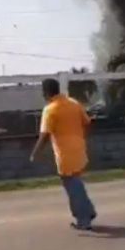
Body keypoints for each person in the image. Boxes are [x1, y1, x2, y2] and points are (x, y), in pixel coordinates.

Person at [30, 78, 96, 230]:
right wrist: (80, 138)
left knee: (73, 186)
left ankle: (84, 219)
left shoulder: (50, 109)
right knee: (76, 183)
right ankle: (88, 211)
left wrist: (35, 153)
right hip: (79, 149)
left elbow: (45, 135)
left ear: (46, 92)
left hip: (65, 154)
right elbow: (87, 123)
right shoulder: (74, 103)